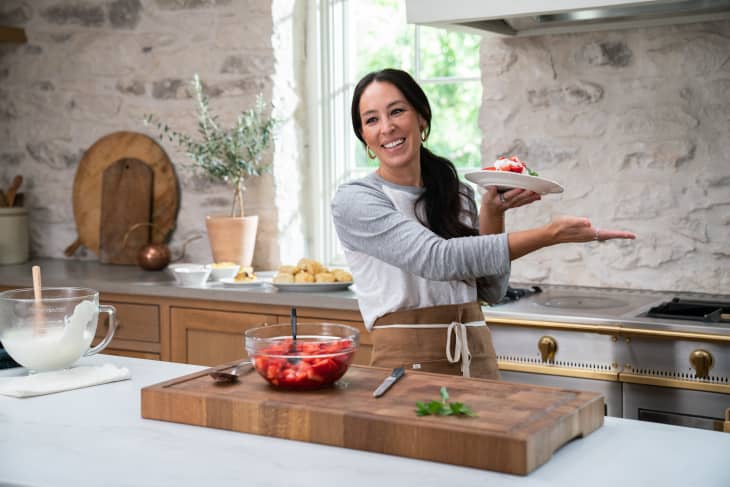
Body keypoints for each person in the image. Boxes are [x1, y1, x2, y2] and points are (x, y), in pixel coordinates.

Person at [331, 68, 636, 380]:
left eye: (397, 111)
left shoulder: (456, 193)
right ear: (365, 138)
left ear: (421, 118)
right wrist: (550, 235)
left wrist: (493, 213)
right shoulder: (356, 200)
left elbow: (491, 290)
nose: (387, 127)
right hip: (407, 364)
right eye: (372, 120)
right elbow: (437, 259)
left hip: (477, 356)